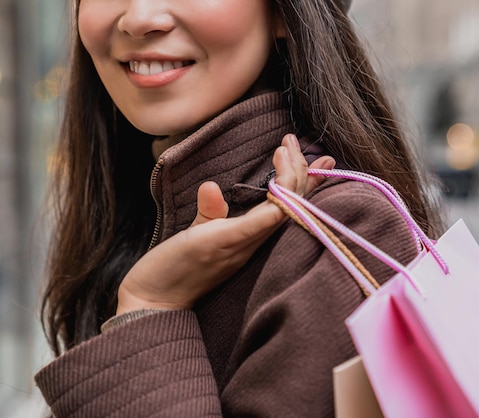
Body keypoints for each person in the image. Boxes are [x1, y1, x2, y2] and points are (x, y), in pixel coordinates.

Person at [36, 0, 446, 416]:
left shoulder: (343, 239)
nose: (140, 18)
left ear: (284, 12)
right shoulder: (136, 205)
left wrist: (150, 307)